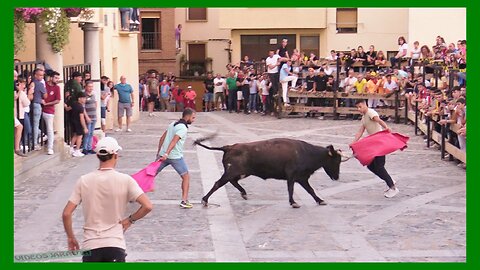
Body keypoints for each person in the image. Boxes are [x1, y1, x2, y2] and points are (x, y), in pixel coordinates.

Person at [62, 137, 153, 262]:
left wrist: (71, 237)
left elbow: (67, 213)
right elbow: (147, 206)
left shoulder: (84, 180)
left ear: (97, 156)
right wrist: (130, 220)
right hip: (115, 243)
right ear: (115, 155)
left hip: (91, 245)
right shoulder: (125, 180)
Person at [353, 99, 399, 198]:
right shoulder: (364, 117)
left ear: (365, 105)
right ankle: (389, 180)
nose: (359, 109)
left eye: (360, 107)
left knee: (379, 166)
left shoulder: (370, 112)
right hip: (374, 143)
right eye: (357, 108)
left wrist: (387, 128)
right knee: (370, 165)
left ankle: (392, 187)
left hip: (379, 142)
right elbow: (360, 131)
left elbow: (378, 120)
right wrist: (354, 142)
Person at [155, 108, 196, 209]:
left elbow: (162, 138)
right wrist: (167, 153)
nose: (194, 120)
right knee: (186, 177)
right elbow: (174, 141)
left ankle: (135, 194)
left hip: (163, 155)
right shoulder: (183, 128)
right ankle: (184, 200)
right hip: (175, 157)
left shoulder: (173, 124)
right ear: (188, 116)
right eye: (193, 117)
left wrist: (159, 153)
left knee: (151, 174)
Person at [42, 71, 62, 155]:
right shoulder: (44, 85)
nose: (57, 80)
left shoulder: (57, 88)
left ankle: (50, 148)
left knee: (50, 129)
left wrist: (47, 104)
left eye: (58, 78)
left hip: (49, 110)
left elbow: (57, 100)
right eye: (56, 78)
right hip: (40, 108)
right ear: (51, 78)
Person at [32, 68, 47, 150]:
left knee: (34, 123)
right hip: (37, 104)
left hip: (32, 104)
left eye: (42, 75)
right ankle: (35, 142)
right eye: (40, 75)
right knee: (36, 124)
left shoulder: (32, 83)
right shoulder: (40, 84)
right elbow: (46, 96)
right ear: (35, 75)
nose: (42, 77)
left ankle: (41, 135)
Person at [70, 92, 88, 157]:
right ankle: (77, 150)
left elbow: (68, 108)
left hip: (73, 121)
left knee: (75, 135)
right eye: (83, 98)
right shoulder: (80, 107)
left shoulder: (74, 104)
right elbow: (81, 118)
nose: (85, 100)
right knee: (80, 136)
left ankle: (71, 147)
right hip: (78, 123)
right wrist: (85, 127)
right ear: (79, 98)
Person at [82, 81, 98, 155]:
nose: (91, 88)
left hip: (93, 116)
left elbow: (95, 103)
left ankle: (89, 147)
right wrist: (87, 117)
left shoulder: (93, 94)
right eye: (89, 86)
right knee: (87, 133)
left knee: (91, 133)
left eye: (92, 86)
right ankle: (85, 148)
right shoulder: (84, 95)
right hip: (88, 116)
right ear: (86, 87)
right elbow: (83, 107)